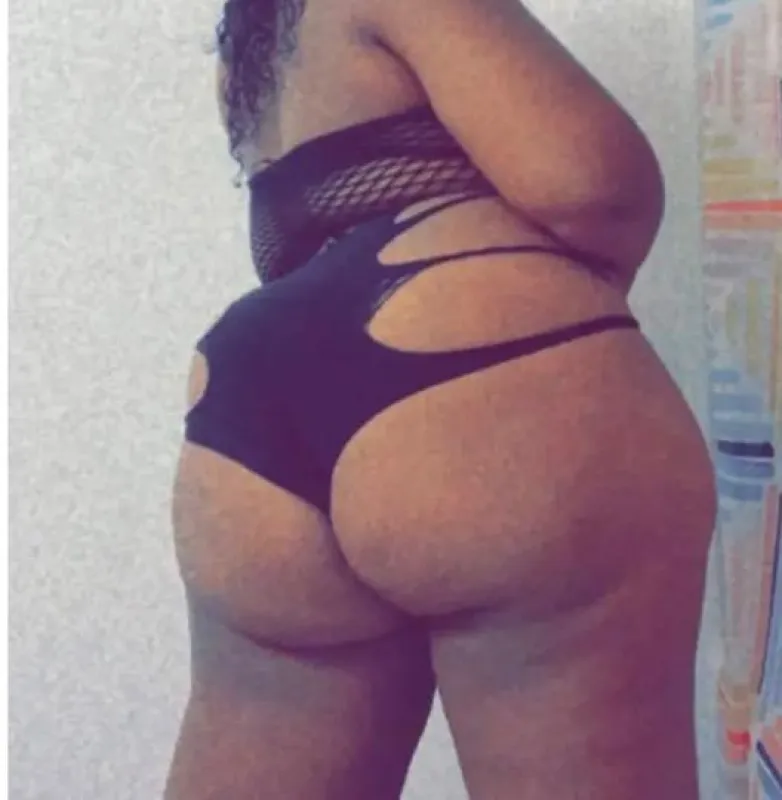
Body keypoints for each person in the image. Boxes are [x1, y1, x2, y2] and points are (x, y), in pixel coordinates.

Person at [164, 0, 717, 797]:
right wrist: (542, 307)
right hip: (476, 376)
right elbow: (596, 187)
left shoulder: (251, 52)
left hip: (251, 406)